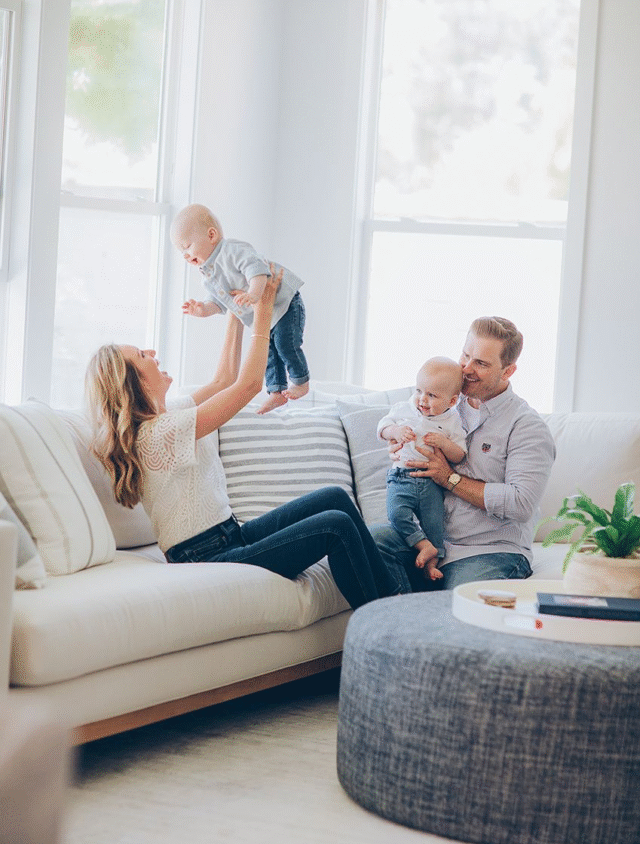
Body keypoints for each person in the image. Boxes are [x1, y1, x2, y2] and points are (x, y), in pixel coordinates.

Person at [85, 272, 401, 611]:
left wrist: (236, 310)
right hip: (205, 557)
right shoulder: (159, 434)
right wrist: (262, 312)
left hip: (229, 535)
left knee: (334, 498)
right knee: (335, 527)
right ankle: (384, 625)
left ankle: (394, 604)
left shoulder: (167, 417)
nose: (151, 352)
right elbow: (248, 386)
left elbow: (224, 380)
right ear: (135, 382)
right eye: (141, 356)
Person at [371, 317, 556, 592]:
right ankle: (404, 619)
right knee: (365, 541)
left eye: (481, 363)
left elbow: (521, 503)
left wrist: (449, 479)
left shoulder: (526, 426)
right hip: (430, 540)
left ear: (508, 371)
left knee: (457, 600)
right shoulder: (443, 401)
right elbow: (400, 429)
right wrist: (400, 445)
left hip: (489, 550)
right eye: (465, 355)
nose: (466, 369)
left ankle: (419, 614)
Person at [171, 203, 309, 414]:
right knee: (268, 354)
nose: (186, 256)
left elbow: (257, 270)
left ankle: (300, 380)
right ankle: (276, 392)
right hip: (266, 317)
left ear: (211, 235)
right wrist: (203, 309)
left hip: (285, 304)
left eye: (187, 246)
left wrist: (254, 294)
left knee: (284, 344)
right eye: (182, 252)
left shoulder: (232, 250)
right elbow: (219, 303)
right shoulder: (208, 277)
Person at [377, 357, 467, 581]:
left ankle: (432, 563)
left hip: (432, 485)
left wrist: (445, 444)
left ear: (452, 400)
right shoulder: (404, 408)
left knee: (434, 523)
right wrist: (395, 431)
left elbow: (460, 454)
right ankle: (423, 545)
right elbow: (382, 427)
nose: (422, 400)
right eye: (419, 390)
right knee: (397, 514)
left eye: (432, 395)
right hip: (401, 478)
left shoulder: (453, 421)